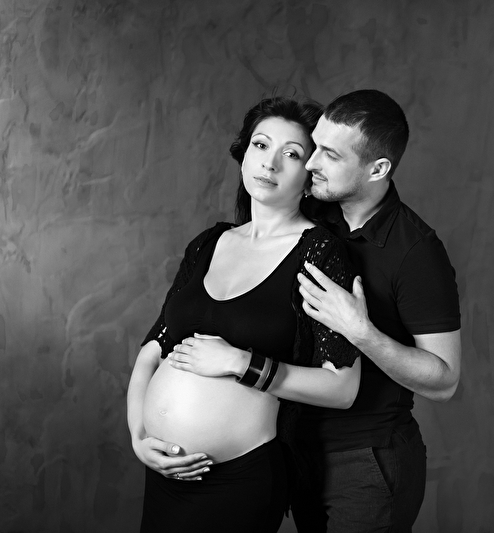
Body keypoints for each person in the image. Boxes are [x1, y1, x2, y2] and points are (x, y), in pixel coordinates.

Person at [126, 96, 362, 533]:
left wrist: (241, 363)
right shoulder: (208, 244)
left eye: (292, 154)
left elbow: (343, 388)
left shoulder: (319, 253)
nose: (270, 163)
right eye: (261, 145)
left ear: (309, 176)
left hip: (239, 482)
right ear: (244, 153)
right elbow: (153, 348)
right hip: (163, 476)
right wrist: (139, 436)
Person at [292, 89, 462, 531]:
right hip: (299, 453)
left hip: (367, 462)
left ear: (378, 169)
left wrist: (360, 331)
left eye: (331, 154)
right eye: (314, 146)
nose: (311, 163)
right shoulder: (311, 215)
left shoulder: (416, 251)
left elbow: (445, 381)